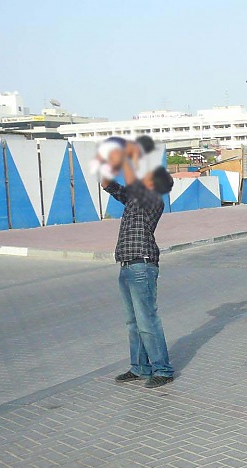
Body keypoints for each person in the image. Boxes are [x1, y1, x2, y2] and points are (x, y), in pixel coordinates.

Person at [99, 138, 175, 388]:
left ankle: (162, 369)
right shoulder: (133, 198)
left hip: (142, 266)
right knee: (133, 322)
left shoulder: (153, 200)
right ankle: (140, 367)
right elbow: (109, 185)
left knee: (147, 320)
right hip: (126, 265)